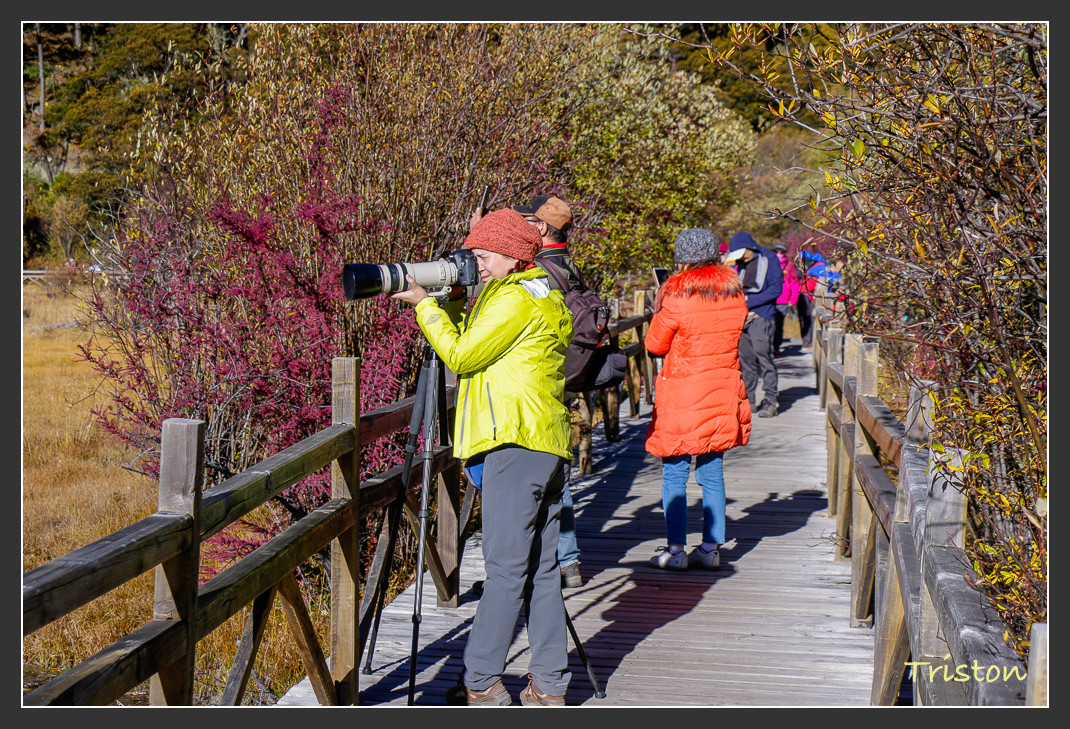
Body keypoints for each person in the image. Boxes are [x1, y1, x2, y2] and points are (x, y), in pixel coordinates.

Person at [392, 208, 574, 706]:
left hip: (514, 444)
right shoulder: (537, 290)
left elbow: (464, 356)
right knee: (538, 569)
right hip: (544, 442)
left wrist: (422, 306)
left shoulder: (513, 298)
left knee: (506, 570)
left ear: (514, 254)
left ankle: (481, 682)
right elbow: (481, 345)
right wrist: (451, 301)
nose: (477, 261)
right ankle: (550, 684)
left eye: (485, 253)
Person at [472, 194, 585, 590]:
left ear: (538, 228)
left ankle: (524, 571)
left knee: (521, 518)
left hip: (522, 415)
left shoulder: (533, 277)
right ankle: (562, 563)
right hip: (552, 396)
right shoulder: (568, 268)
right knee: (554, 487)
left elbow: (467, 349)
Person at [644, 228, 751, 570]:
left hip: (683, 394)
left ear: (681, 258)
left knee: (675, 472)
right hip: (722, 389)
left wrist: (658, 307)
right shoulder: (735, 293)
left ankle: (675, 552)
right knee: (712, 471)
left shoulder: (675, 295)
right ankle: (710, 549)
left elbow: (655, 345)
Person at [724, 232, 783, 418]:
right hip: (742, 317)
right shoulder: (741, 264)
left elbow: (776, 289)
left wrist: (748, 301)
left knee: (764, 359)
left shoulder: (769, 259)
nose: (740, 258)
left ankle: (770, 401)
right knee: (746, 362)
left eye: (741, 254)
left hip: (762, 315)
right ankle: (748, 402)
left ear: (749, 248)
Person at [771, 242, 801, 355]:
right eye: (777, 252)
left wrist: (793, 299)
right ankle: (768, 345)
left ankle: (776, 346)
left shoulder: (789, 265)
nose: (779, 254)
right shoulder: (769, 263)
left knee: (779, 325)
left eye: (781, 252)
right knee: (769, 324)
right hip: (770, 299)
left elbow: (794, 283)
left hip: (783, 299)